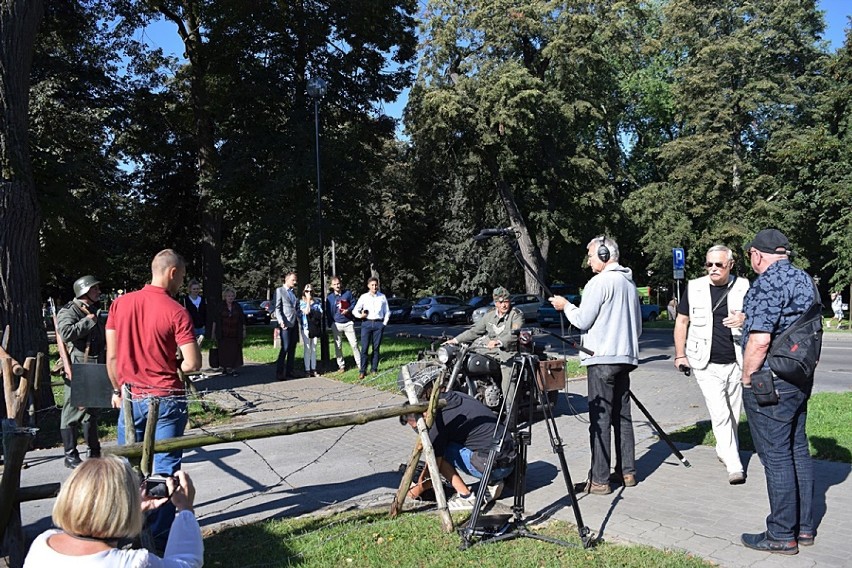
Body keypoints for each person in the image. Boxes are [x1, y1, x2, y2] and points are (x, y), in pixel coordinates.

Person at [105, 249, 201, 549]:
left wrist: (118, 389)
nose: (182, 283)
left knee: (128, 466)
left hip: (131, 395)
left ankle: (127, 531)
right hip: (166, 396)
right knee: (164, 468)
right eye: (182, 276)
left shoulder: (119, 304)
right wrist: (172, 363)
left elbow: (112, 357)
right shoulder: (176, 311)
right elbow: (192, 363)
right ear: (172, 273)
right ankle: (159, 538)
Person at [740, 229, 817, 555]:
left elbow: (759, 340)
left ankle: (781, 534)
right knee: (797, 450)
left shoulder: (767, 283)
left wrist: (746, 378)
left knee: (776, 457)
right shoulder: (804, 280)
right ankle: (804, 529)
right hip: (799, 376)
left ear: (757, 255)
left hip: (771, 381)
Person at [550, 236, 642, 495]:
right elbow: (637, 326)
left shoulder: (598, 282)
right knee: (622, 418)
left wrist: (565, 305)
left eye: (590, 255)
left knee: (600, 420)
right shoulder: (629, 283)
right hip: (625, 358)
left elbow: (582, 320)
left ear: (604, 255)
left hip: (602, 359)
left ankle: (600, 481)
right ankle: (627, 472)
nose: (588, 260)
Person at [24, 455, 203, 568]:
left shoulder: (42, 543)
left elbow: (95, 534)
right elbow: (187, 563)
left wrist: (132, 509)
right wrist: (185, 509)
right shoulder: (133, 563)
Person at [673, 245, 749, 484]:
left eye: (719, 264)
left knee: (733, 413)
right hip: (705, 362)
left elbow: (760, 317)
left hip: (736, 360)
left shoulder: (744, 286)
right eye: (710, 264)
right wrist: (679, 355)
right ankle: (734, 465)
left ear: (731, 265)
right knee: (720, 412)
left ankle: (723, 449)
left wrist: (743, 318)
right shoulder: (694, 287)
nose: (714, 269)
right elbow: (682, 321)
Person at [402, 374, 515, 511]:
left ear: (423, 414)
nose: (418, 431)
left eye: (416, 427)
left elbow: (433, 469)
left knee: (440, 453)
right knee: (453, 444)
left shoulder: (438, 421)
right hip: (510, 458)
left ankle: (466, 497)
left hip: (492, 466)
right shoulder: (456, 396)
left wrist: (413, 492)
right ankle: (495, 481)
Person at [55, 275, 105, 469]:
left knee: (92, 410)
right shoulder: (70, 310)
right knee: (72, 409)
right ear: (84, 291)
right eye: (95, 289)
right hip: (77, 365)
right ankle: (70, 455)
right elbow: (65, 333)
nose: (98, 292)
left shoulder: (93, 309)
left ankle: (94, 451)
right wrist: (88, 322)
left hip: (95, 362)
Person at [444, 286, 525, 395]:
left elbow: (514, 334)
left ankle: (510, 409)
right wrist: (455, 340)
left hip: (507, 353)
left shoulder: (516, 315)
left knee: (508, 383)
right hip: (488, 351)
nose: (504, 305)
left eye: (506, 301)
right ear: (495, 303)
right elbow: (475, 331)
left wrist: (499, 342)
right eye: (501, 302)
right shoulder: (489, 315)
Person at [352, 277, 390, 380]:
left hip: (378, 324)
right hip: (366, 323)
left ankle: (374, 369)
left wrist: (384, 324)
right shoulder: (364, 297)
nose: (374, 287)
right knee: (364, 348)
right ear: (368, 286)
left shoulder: (382, 297)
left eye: (376, 285)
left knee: (376, 348)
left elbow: (387, 311)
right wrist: (361, 316)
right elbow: (355, 310)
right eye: (372, 285)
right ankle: (362, 371)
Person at [326, 276, 362, 372]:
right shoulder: (329, 298)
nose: (337, 286)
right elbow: (328, 312)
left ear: (340, 284)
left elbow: (354, 304)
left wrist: (348, 310)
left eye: (338, 283)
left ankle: (360, 365)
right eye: (335, 284)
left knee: (354, 344)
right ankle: (341, 365)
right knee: (338, 346)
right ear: (331, 286)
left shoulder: (347, 294)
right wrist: (331, 323)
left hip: (348, 323)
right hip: (336, 324)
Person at [212, 286, 245, 376]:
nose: (230, 298)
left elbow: (242, 320)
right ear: (225, 297)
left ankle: (233, 368)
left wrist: (244, 330)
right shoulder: (220, 306)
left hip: (235, 333)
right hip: (223, 333)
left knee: (235, 351)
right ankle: (225, 368)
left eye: (232, 296)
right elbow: (215, 320)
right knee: (223, 351)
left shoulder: (237, 306)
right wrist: (213, 333)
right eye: (229, 296)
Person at [274, 272, 300, 380]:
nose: (295, 282)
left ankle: (290, 370)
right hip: (285, 323)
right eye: (293, 280)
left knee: (292, 347)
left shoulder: (293, 293)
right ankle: (279, 371)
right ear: (287, 279)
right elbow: (277, 307)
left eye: (295, 280)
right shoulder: (279, 291)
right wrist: (281, 321)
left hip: (294, 322)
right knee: (285, 347)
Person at [299, 284, 323, 377]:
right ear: (304, 292)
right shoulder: (301, 302)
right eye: (307, 291)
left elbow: (320, 314)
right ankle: (307, 370)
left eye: (310, 291)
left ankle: (314, 369)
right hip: (306, 328)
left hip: (315, 328)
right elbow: (306, 312)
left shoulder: (317, 302)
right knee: (307, 348)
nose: (309, 293)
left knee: (314, 349)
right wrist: (308, 301)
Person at [180, 279, 207, 344]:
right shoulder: (185, 300)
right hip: (190, 327)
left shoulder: (203, 299)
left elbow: (205, 313)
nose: (196, 290)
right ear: (190, 289)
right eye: (194, 289)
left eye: (197, 289)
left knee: (200, 344)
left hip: (201, 327)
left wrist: (205, 324)